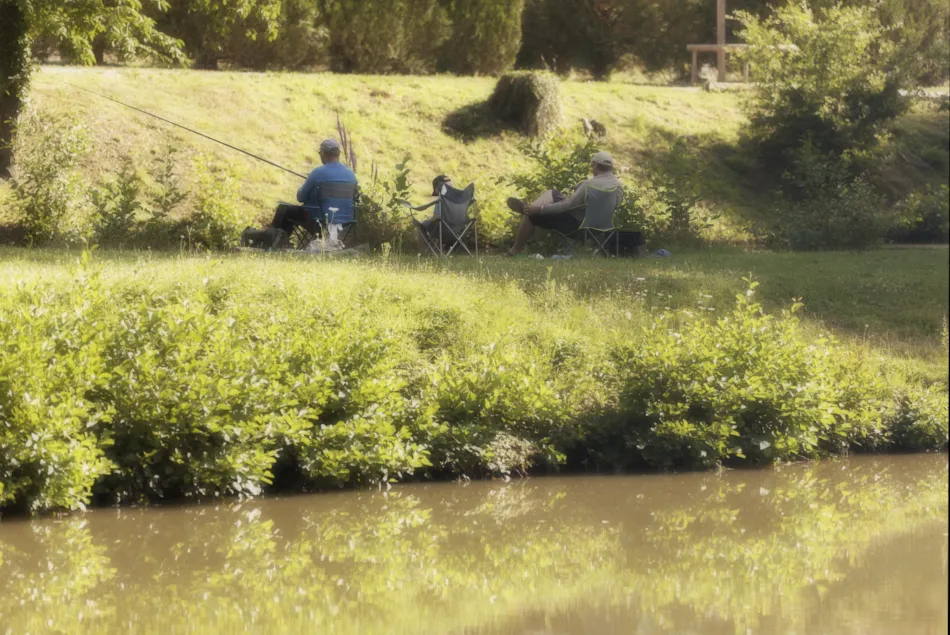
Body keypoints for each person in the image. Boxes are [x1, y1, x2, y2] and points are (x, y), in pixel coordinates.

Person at [506, 151, 622, 256]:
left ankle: (517, 246)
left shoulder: (588, 185)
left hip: (577, 227)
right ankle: (530, 207)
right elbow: (617, 205)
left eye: (592, 165)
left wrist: (541, 209)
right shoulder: (617, 186)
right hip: (602, 228)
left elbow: (568, 207)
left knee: (531, 216)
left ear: (595, 165)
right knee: (552, 193)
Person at [268, 138, 358, 239]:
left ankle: (275, 241)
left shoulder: (317, 173)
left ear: (323, 153)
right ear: (338, 154)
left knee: (284, 209)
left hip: (319, 222)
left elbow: (300, 197)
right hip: (345, 222)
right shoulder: (351, 175)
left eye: (320, 153)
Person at [415, 175, 452, 253]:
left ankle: (425, 251)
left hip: (443, 229)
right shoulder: (458, 199)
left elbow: (437, 217)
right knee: (435, 224)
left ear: (437, 188)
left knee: (420, 225)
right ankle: (437, 250)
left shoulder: (441, 199)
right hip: (458, 229)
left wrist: (429, 219)